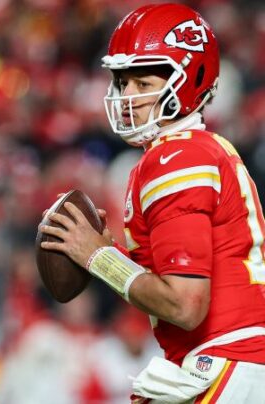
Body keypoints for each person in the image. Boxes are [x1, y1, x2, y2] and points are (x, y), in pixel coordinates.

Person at [40, 3, 265, 403]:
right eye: (123, 83)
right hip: (232, 360)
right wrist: (110, 254)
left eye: (143, 84)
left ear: (188, 84)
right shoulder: (201, 149)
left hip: (229, 360)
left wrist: (98, 258)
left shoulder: (175, 158)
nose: (127, 96)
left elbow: (184, 305)